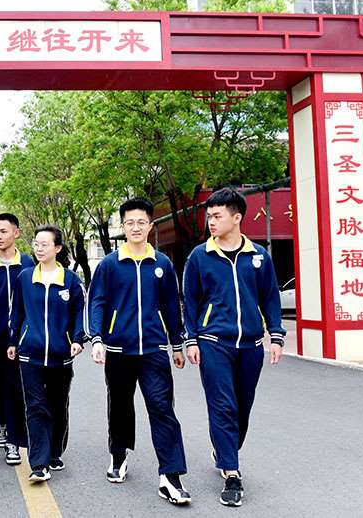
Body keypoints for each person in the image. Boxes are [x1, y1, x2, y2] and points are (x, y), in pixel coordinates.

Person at [182, 187, 285, 507]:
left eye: (217, 216)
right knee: (223, 406)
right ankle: (231, 472)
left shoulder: (259, 257)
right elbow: (190, 300)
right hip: (214, 343)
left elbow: (270, 297)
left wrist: (276, 335)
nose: (211, 222)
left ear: (236, 217)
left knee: (242, 407)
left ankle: (225, 448)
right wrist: (191, 338)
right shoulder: (200, 256)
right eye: (209, 216)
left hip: (251, 345)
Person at [87, 198, 191, 505]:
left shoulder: (162, 263)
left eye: (141, 222)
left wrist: (176, 343)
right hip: (118, 349)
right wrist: (97, 339)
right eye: (130, 222)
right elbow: (97, 302)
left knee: (162, 408)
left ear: (150, 226)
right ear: (123, 226)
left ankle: (170, 476)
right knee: (120, 407)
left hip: (154, 350)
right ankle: (118, 455)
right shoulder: (109, 265)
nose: (135, 227)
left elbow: (171, 304)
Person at [8, 225, 86, 484]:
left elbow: (78, 314)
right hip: (30, 354)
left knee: (58, 406)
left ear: (58, 248)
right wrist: (13, 341)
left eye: (44, 244)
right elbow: (17, 312)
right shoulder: (25, 278)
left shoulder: (70, 281)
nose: (39, 249)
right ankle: (39, 464)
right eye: (36, 244)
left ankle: (54, 452)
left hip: (60, 355)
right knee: (35, 407)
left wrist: (77, 340)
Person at [0, 213, 33, 466]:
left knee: (16, 387)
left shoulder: (28, 263)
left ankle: (14, 438)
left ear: (16, 233)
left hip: (22, 338)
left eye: (3, 231)